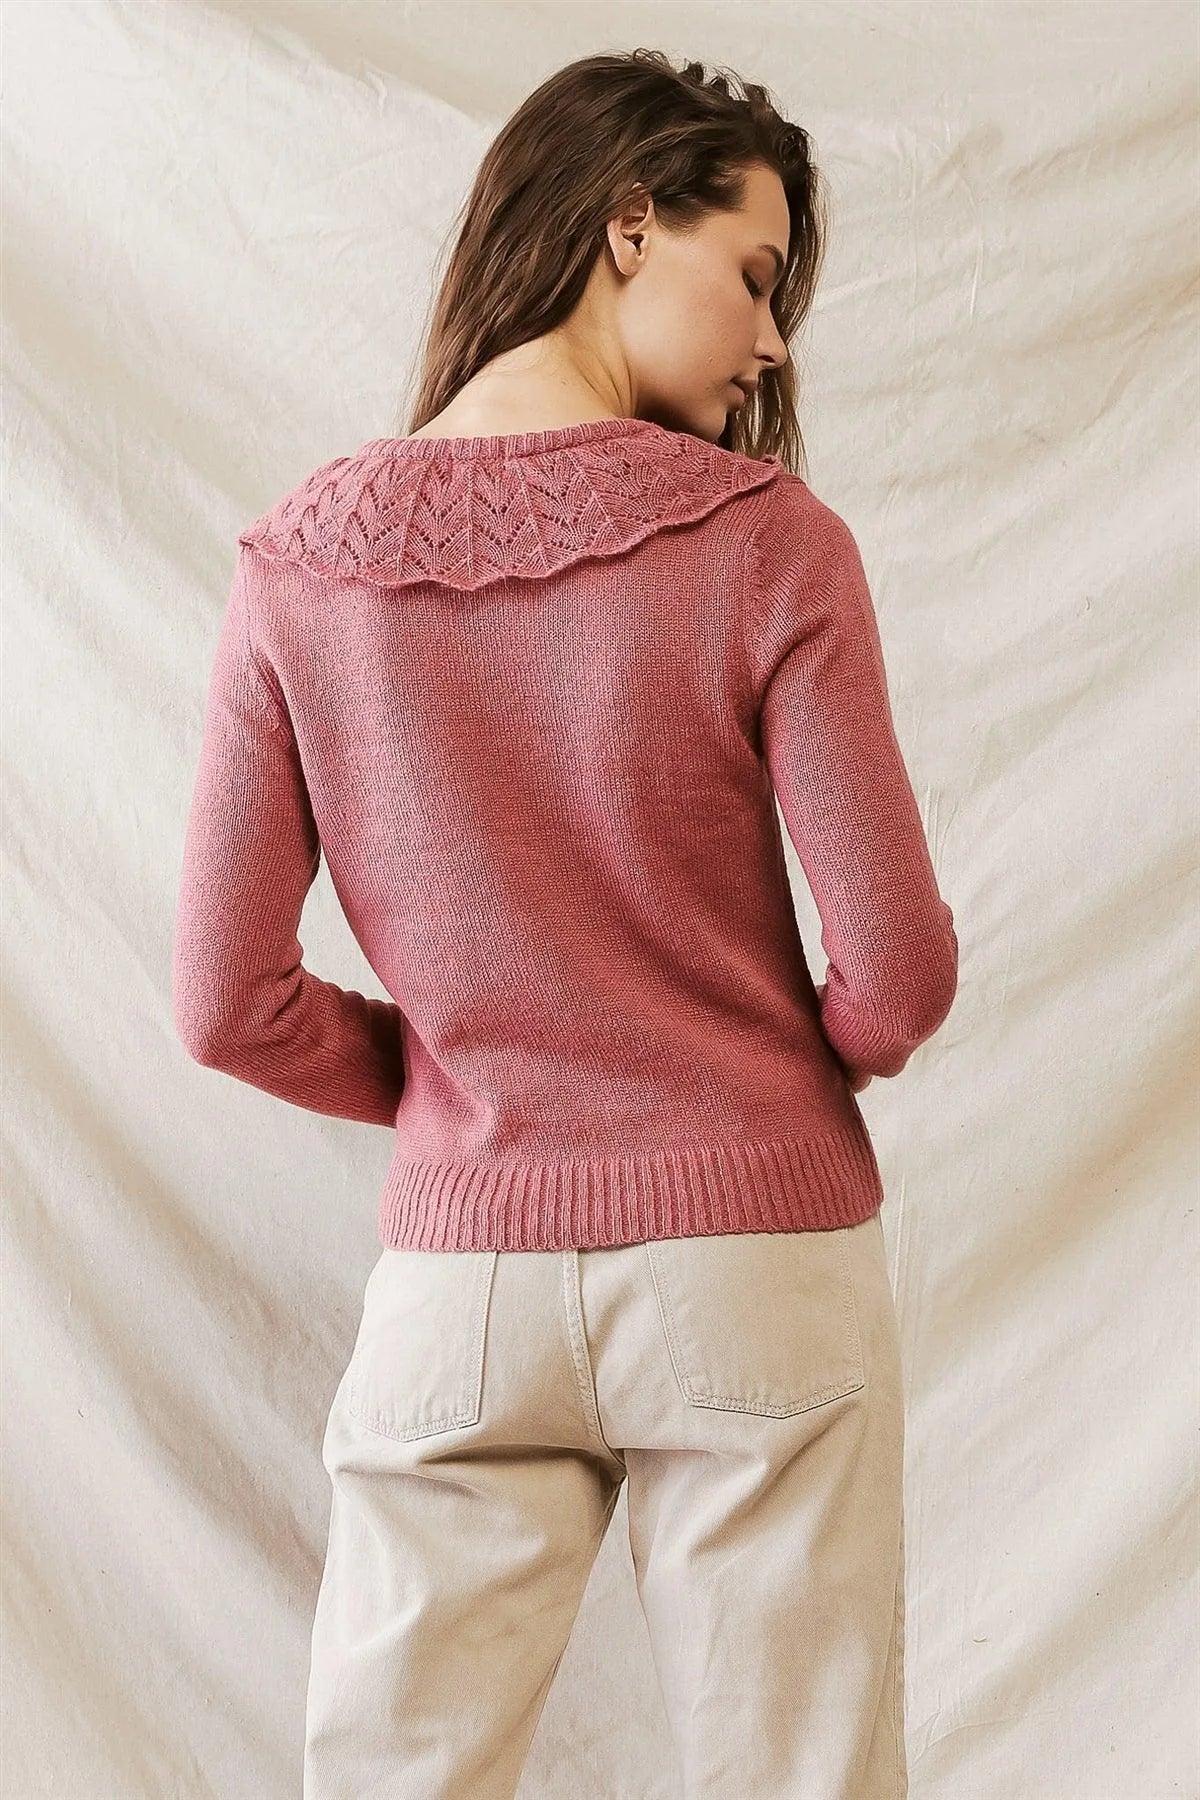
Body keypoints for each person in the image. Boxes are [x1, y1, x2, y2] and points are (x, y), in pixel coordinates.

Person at [172, 47, 958, 1800]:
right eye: (756, 273)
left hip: (459, 1286)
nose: (773, 345)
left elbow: (222, 999)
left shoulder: (300, 564)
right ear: (627, 224)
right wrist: (771, 1060)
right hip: (754, 1264)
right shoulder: (771, 545)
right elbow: (901, 978)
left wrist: (455, 1080)